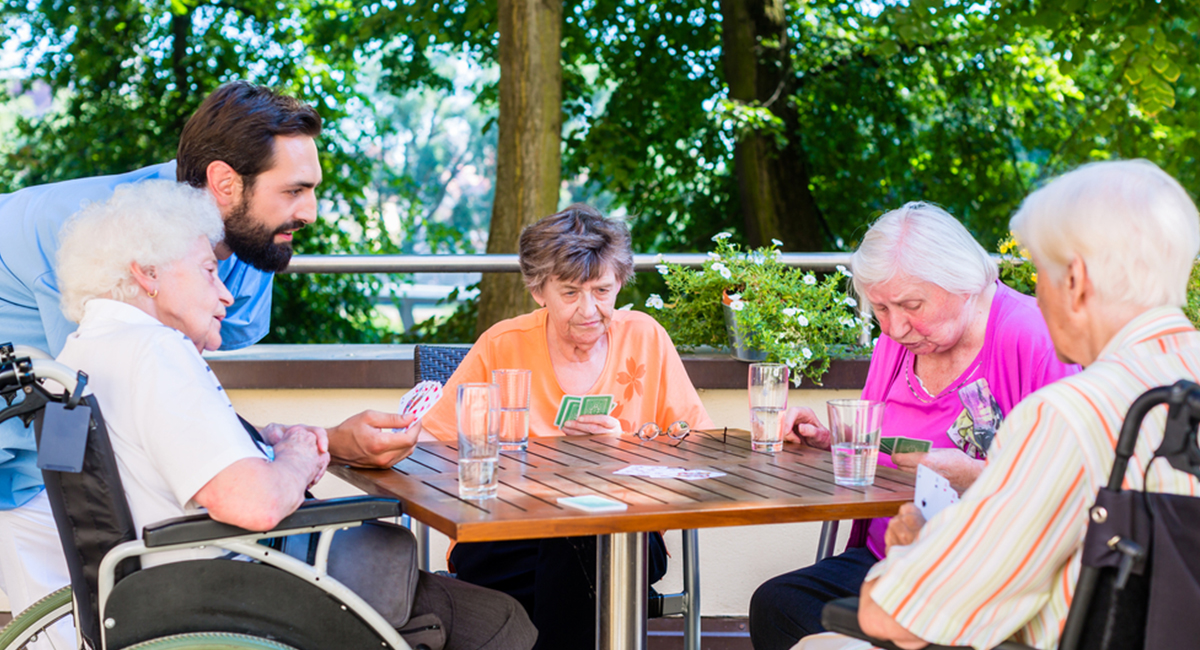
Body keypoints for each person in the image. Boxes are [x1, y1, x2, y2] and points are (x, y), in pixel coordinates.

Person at [0, 81, 417, 649]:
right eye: (294, 190)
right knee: (74, 627)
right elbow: (121, 412)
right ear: (224, 183)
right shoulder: (105, 243)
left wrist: (307, 443)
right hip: (30, 461)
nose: (310, 212)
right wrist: (302, 455)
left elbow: (186, 405)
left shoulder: (235, 237)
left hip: (75, 446)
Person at [52, 180, 537, 650]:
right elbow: (256, 505)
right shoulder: (156, 351)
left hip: (154, 592)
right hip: (233, 593)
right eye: (208, 271)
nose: (226, 294)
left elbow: (162, 460)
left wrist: (265, 442)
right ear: (147, 273)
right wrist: (299, 456)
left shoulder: (83, 352)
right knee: (500, 620)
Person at [795, 160, 1200, 650]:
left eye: (1039, 274)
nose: (1034, 298)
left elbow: (898, 615)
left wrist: (913, 547)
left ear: (1074, 280)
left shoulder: (1069, 416)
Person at [749, 202, 1077, 650]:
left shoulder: (1032, 337)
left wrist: (977, 476)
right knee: (778, 605)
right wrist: (831, 440)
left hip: (985, 570)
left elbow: (1068, 486)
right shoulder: (897, 343)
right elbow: (881, 447)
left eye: (910, 305)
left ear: (964, 283)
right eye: (880, 308)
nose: (895, 327)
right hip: (892, 559)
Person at [410, 204, 714, 649]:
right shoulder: (503, 345)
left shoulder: (645, 338)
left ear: (620, 283)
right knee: (578, 558)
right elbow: (430, 443)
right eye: (570, 293)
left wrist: (625, 447)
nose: (589, 310)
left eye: (602, 290)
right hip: (507, 536)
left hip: (625, 534)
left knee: (581, 542)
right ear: (539, 290)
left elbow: (699, 448)